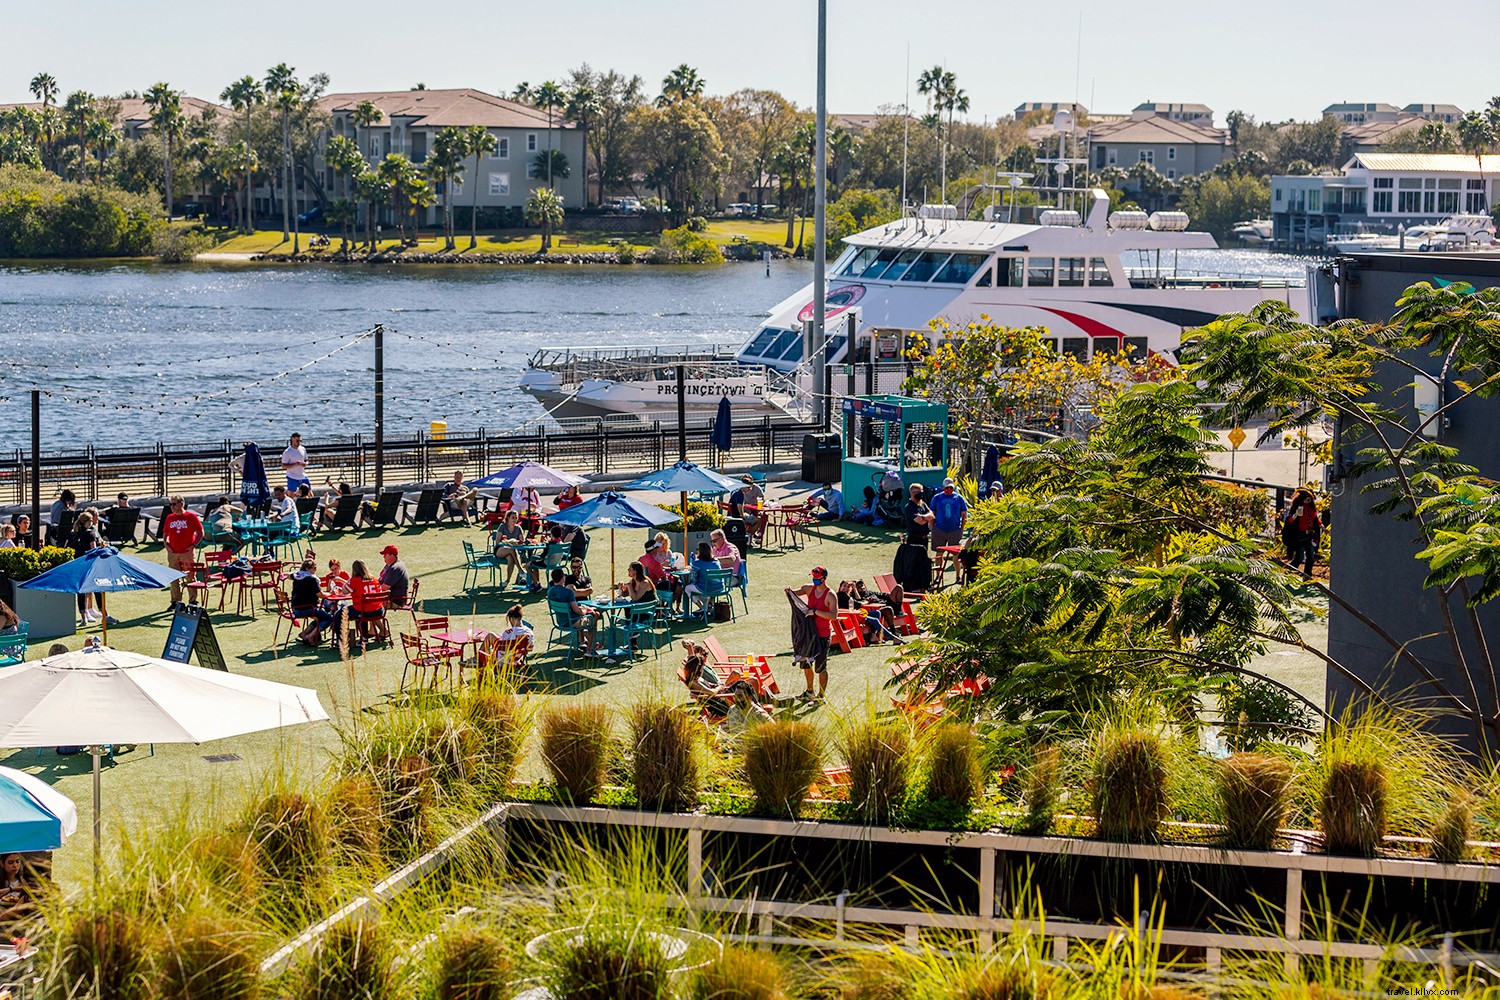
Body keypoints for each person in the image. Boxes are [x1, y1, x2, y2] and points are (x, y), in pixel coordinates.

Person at [787, 565, 838, 701]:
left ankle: (821, 696)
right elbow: (799, 591)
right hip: (808, 633)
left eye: (817, 578)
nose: (815, 580)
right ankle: (809, 691)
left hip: (822, 635)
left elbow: (833, 615)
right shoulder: (809, 589)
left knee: (821, 667)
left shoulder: (830, 595)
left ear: (824, 578)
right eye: (813, 577)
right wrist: (790, 591)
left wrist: (815, 612)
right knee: (805, 663)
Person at [546, 566, 602, 660]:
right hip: (572, 622)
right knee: (595, 615)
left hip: (560, 621)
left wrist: (583, 609)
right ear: (563, 577)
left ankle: (583, 642)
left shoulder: (550, 591)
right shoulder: (568, 592)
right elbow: (577, 611)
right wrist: (585, 610)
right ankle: (590, 650)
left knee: (590, 612)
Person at [69, 510, 112, 625]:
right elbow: (93, 550)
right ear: (88, 522)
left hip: (78, 565)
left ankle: (84, 618)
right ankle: (105, 615)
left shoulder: (73, 533)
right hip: (89, 566)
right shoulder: (90, 533)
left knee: (81, 592)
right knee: (98, 589)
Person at [291, 556, 338, 645]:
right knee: (330, 618)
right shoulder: (312, 579)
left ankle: (304, 633)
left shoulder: (297, 576)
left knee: (321, 616)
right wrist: (331, 594)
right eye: (314, 568)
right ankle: (310, 636)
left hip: (295, 609)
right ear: (307, 569)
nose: (315, 570)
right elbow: (320, 595)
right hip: (307, 609)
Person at [929, 477, 970, 579]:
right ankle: (938, 576)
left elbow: (964, 514)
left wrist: (962, 528)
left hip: (954, 531)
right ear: (943, 487)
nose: (948, 490)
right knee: (939, 554)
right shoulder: (937, 498)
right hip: (939, 530)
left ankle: (957, 575)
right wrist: (932, 527)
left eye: (951, 488)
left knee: (956, 555)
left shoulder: (959, 498)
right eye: (946, 488)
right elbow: (932, 513)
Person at [1282, 488, 1321, 579]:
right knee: (1299, 557)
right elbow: (1290, 521)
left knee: (1310, 557)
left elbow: (1315, 519)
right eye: (1307, 499)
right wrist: (1296, 514)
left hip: (1309, 534)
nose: (1309, 501)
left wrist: (1321, 526)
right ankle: (1287, 572)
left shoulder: (1311, 508)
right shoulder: (1297, 507)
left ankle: (1307, 576)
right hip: (1300, 534)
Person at [491, 510, 527, 589]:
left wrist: (517, 542)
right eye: (513, 517)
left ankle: (507, 581)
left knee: (510, 558)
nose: (515, 519)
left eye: (516, 518)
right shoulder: (502, 526)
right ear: (508, 518)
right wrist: (507, 542)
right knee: (512, 550)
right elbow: (497, 542)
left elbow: (522, 542)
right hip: (500, 550)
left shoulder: (518, 528)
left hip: (511, 552)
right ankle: (521, 570)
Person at [682, 541, 719, 616]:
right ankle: (706, 607)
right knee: (700, 588)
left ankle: (702, 608)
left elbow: (693, 573)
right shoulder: (716, 561)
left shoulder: (698, 563)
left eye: (697, 549)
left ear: (700, 552)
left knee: (687, 588)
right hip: (719, 587)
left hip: (707, 588)